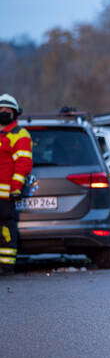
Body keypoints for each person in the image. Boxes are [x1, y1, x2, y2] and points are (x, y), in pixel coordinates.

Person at [0, 94, 33, 276]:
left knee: (6, 231)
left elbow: (23, 164)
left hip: (6, 196)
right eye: (1, 109)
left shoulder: (19, 135)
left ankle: (6, 267)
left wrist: (15, 188)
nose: (4, 112)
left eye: (8, 110)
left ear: (15, 113)